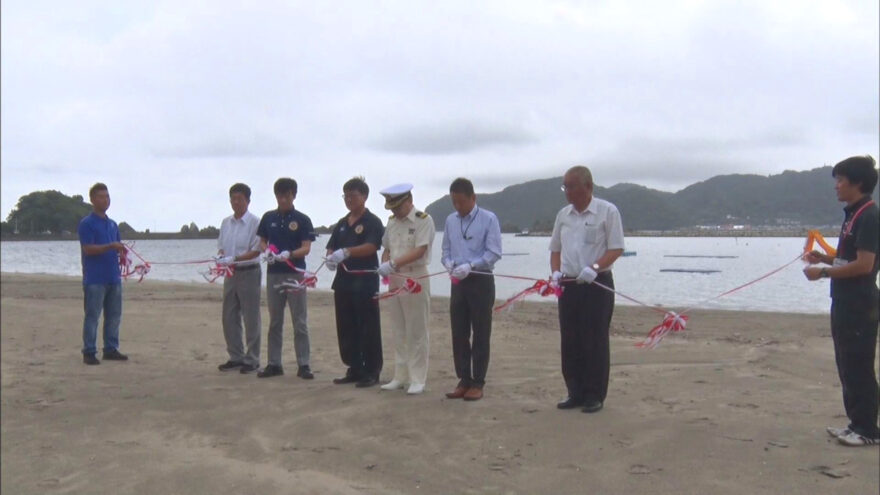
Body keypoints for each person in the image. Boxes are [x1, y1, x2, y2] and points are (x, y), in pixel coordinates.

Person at [803, 155, 879, 447]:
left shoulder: (870, 215)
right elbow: (848, 257)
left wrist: (822, 272)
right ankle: (856, 423)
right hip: (844, 300)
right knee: (846, 363)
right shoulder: (852, 214)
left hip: (861, 302)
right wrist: (824, 257)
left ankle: (868, 430)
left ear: (857, 183)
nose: (836, 186)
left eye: (840, 180)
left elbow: (865, 265)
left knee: (859, 364)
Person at [550, 166, 624, 413]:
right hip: (569, 284)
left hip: (597, 283)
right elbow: (555, 249)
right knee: (570, 339)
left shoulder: (607, 211)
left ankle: (594, 394)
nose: (567, 192)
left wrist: (594, 266)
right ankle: (574, 391)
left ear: (588, 187)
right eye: (565, 186)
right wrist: (555, 272)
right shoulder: (563, 215)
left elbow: (616, 248)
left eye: (571, 186)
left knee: (594, 339)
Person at [440, 178, 502, 401]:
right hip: (458, 281)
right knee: (459, 332)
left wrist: (472, 265)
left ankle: (478, 381)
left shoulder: (488, 219)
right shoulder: (450, 221)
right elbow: (445, 249)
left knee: (481, 332)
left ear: (473, 198)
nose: (458, 207)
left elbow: (494, 252)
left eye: (462, 202)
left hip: (480, 279)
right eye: (454, 202)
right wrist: (448, 263)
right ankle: (463, 379)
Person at [325, 177, 385, 388]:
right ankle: (354, 367)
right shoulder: (342, 223)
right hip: (343, 282)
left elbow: (371, 246)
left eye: (353, 195)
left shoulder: (372, 222)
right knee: (346, 326)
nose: (349, 199)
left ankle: (372, 370)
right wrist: (331, 257)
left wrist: (348, 251)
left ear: (365, 196)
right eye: (346, 196)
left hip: (365, 281)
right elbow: (331, 246)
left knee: (368, 326)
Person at [377, 183, 435, 395]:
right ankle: (401, 376)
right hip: (394, 278)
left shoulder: (423, 220)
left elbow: (420, 250)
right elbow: (387, 248)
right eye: (391, 208)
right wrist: (385, 264)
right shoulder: (392, 222)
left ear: (409, 200)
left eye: (397, 207)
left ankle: (418, 378)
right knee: (398, 327)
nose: (394, 212)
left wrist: (393, 263)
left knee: (416, 329)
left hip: (414, 276)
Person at [256, 178, 316, 379]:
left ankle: (304, 364)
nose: (283, 199)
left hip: (295, 273)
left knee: (299, 320)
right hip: (274, 274)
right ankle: (274, 363)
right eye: (280, 195)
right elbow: (262, 242)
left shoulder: (302, 219)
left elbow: (307, 247)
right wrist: (267, 252)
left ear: (294, 195)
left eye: (287, 195)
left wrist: (290, 254)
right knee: (275, 320)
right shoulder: (268, 218)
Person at [78, 182, 128, 365]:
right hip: (94, 278)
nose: (105, 200)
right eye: (101, 196)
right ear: (92, 199)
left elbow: (117, 248)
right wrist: (111, 246)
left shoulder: (113, 224)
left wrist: (121, 251)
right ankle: (89, 351)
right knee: (92, 315)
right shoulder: (86, 224)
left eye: (107, 196)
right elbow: (88, 249)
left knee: (114, 315)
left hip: (113, 276)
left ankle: (110, 348)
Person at [216, 183, 263, 374]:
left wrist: (235, 258)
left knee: (251, 317)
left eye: (240, 199)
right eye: (233, 199)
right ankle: (235, 356)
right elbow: (221, 247)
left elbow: (256, 250)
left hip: (249, 271)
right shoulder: (226, 222)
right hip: (230, 273)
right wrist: (220, 258)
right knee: (229, 316)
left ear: (248, 201)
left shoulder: (255, 222)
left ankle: (252, 359)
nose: (236, 202)